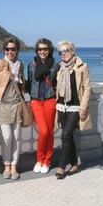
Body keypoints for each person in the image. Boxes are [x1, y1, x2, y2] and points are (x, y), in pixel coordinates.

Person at [54, 40, 92, 179]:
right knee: (67, 136)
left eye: (66, 51)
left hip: (75, 106)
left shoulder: (82, 66)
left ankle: (61, 167)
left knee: (65, 135)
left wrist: (83, 107)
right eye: (61, 52)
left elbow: (87, 88)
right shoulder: (59, 67)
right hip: (61, 106)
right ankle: (75, 164)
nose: (63, 54)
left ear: (73, 51)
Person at [26, 38, 58, 174]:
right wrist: (29, 99)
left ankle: (47, 161)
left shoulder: (55, 65)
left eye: (45, 49)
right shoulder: (31, 64)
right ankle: (39, 159)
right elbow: (29, 83)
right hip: (36, 101)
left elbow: (57, 83)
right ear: (37, 50)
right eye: (40, 49)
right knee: (43, 131)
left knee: (49, 132)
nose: (42, 51)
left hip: (50, 100)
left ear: (49, 50)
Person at [0, 38, 25, 180]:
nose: (10, 51)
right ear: (4, 50)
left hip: (17, 104)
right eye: (7, 49)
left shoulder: (20, 65)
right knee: (7, 137)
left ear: (17, 50)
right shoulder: (0, 63)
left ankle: (14, 166)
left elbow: (22, 85)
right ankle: (6, 165)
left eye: (13, 49)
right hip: (3, 105)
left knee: (17, 138)